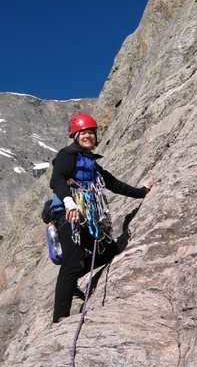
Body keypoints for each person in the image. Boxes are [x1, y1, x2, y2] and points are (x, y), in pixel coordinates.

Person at [49, 112, 152, 323]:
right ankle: (59, 318)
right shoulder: (67, 155)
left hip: (86, 218)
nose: (88, 136)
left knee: (108, 251)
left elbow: (113, 184)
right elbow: (57, 179)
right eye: (83, 133)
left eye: (91, 133)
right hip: (67, 217)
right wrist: (69, 202)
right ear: (75, 136)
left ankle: (72, 279)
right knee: (72, 261)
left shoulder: (92, 165)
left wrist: (142, 192)